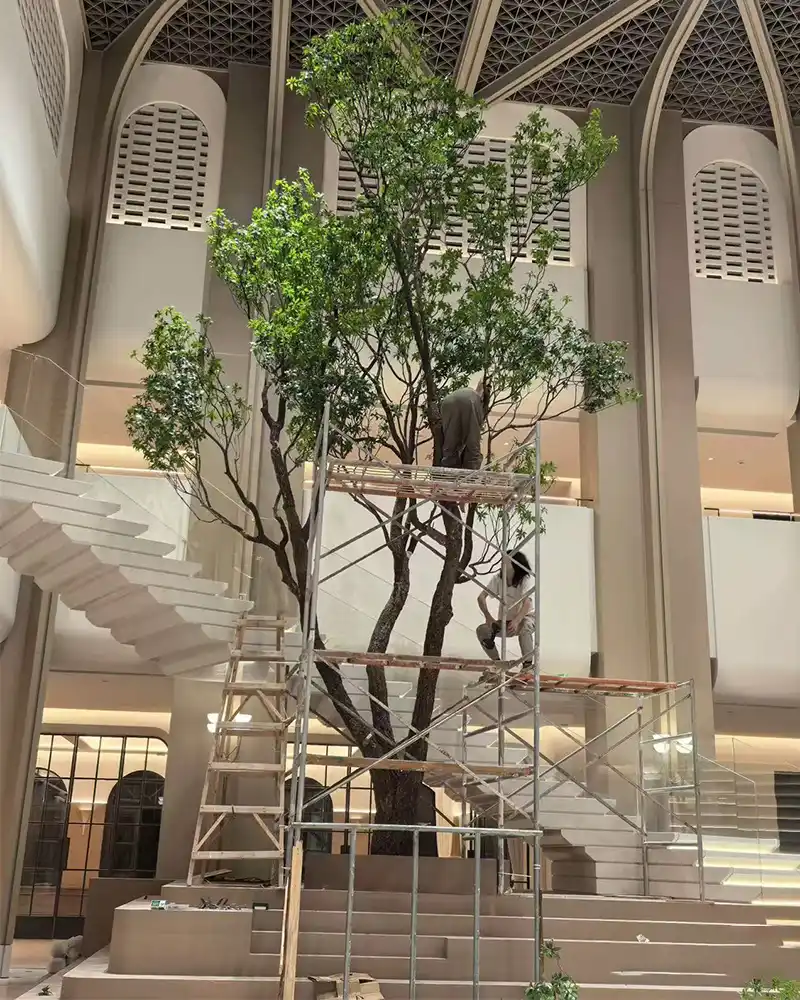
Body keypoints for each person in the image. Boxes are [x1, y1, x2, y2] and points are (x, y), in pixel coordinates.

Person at [476, 549, 534, 667]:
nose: (501, 563)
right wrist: (488, 617)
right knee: (482, 630)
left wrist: (517, 620)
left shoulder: (525, 579)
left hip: (526, 617)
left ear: (514, 564)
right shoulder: (498, 578)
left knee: (525, 627)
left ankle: (528, 666)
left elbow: (527, 603)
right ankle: (498, 665)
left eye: (505, 561)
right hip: (506, 621)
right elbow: (481, 597)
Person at [440, 378, 488, 470]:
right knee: (473, 443)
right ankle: (470, 476)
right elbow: (473, 439)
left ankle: (448, 472)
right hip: (469, 400)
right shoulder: (477, 399)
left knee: (450, 441)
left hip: (446, 402)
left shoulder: (468, 391)